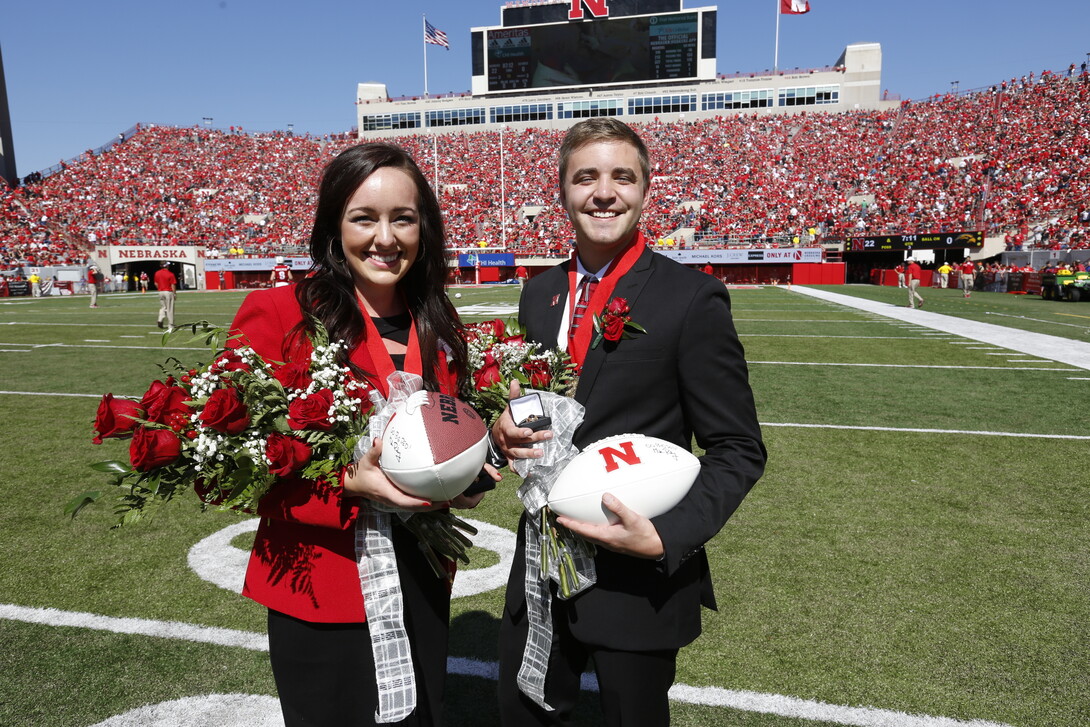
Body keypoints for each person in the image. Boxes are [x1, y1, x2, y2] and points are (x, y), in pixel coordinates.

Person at [491, 119, 766, 727]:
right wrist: (503, 431)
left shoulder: (691, 298)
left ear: (645, 190)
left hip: (637, 572)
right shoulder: (539, 294)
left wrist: (667, 536)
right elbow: (536, 407)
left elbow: (738, 447)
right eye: (585, 177)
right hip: (541, 556)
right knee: (523, 712)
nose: (604, 192)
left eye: (622, 177)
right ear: (562, 192)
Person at [226, 142, 492, 727]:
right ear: (332, 226)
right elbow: (228, 466)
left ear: (424, 227)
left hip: (421, 578)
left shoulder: (439, 319)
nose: (385, 237)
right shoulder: (277, 313)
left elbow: (448, 433)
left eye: (403, 217)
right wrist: (347, 483)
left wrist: (475, 470)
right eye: (364, 218)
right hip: (323, 587)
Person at [153, 261, 177, 329]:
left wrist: (160, 288)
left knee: (163, 307)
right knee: (170, 308)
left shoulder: (157, 273)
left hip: (160, 291)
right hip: (168, 291)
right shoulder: (170, 274)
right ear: (166, 266)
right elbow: (173, 284)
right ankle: (171, 324)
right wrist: (174, 293)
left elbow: (156, 283)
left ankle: (160, 319)